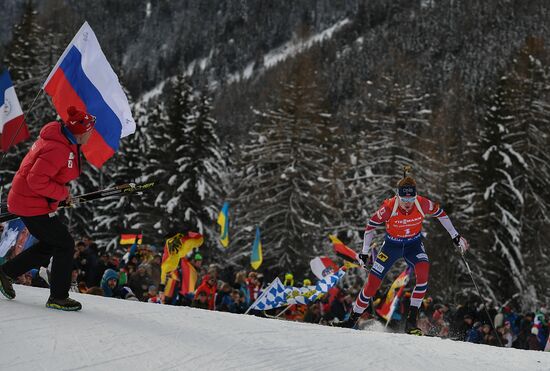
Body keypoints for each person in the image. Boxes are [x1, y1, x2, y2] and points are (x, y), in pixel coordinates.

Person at [334, 169, 469, 334]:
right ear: (398, 196)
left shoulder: (422, 203)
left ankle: (411, 323)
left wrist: (455, 236)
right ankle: (351, 320)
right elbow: (370, 226)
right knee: (372, 286)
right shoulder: (389, 207)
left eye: (411, 198)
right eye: (404, 199)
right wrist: (364, 252)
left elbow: (441, 214)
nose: (408, 203)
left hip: (414, 245)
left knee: (423, 273)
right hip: (391, 247)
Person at [0, 106, 96, 311]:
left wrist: (57, 197)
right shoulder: (58, 148)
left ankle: (6, 272)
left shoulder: (63, 139)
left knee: (51, 243)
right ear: (81, 132)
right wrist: (62, 194)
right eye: (90, 130)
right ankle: (58, 297)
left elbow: (43, 178)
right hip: (28, 202)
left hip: (30, 200)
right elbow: (36, 180)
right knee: (65, 244)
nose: (91, 134)